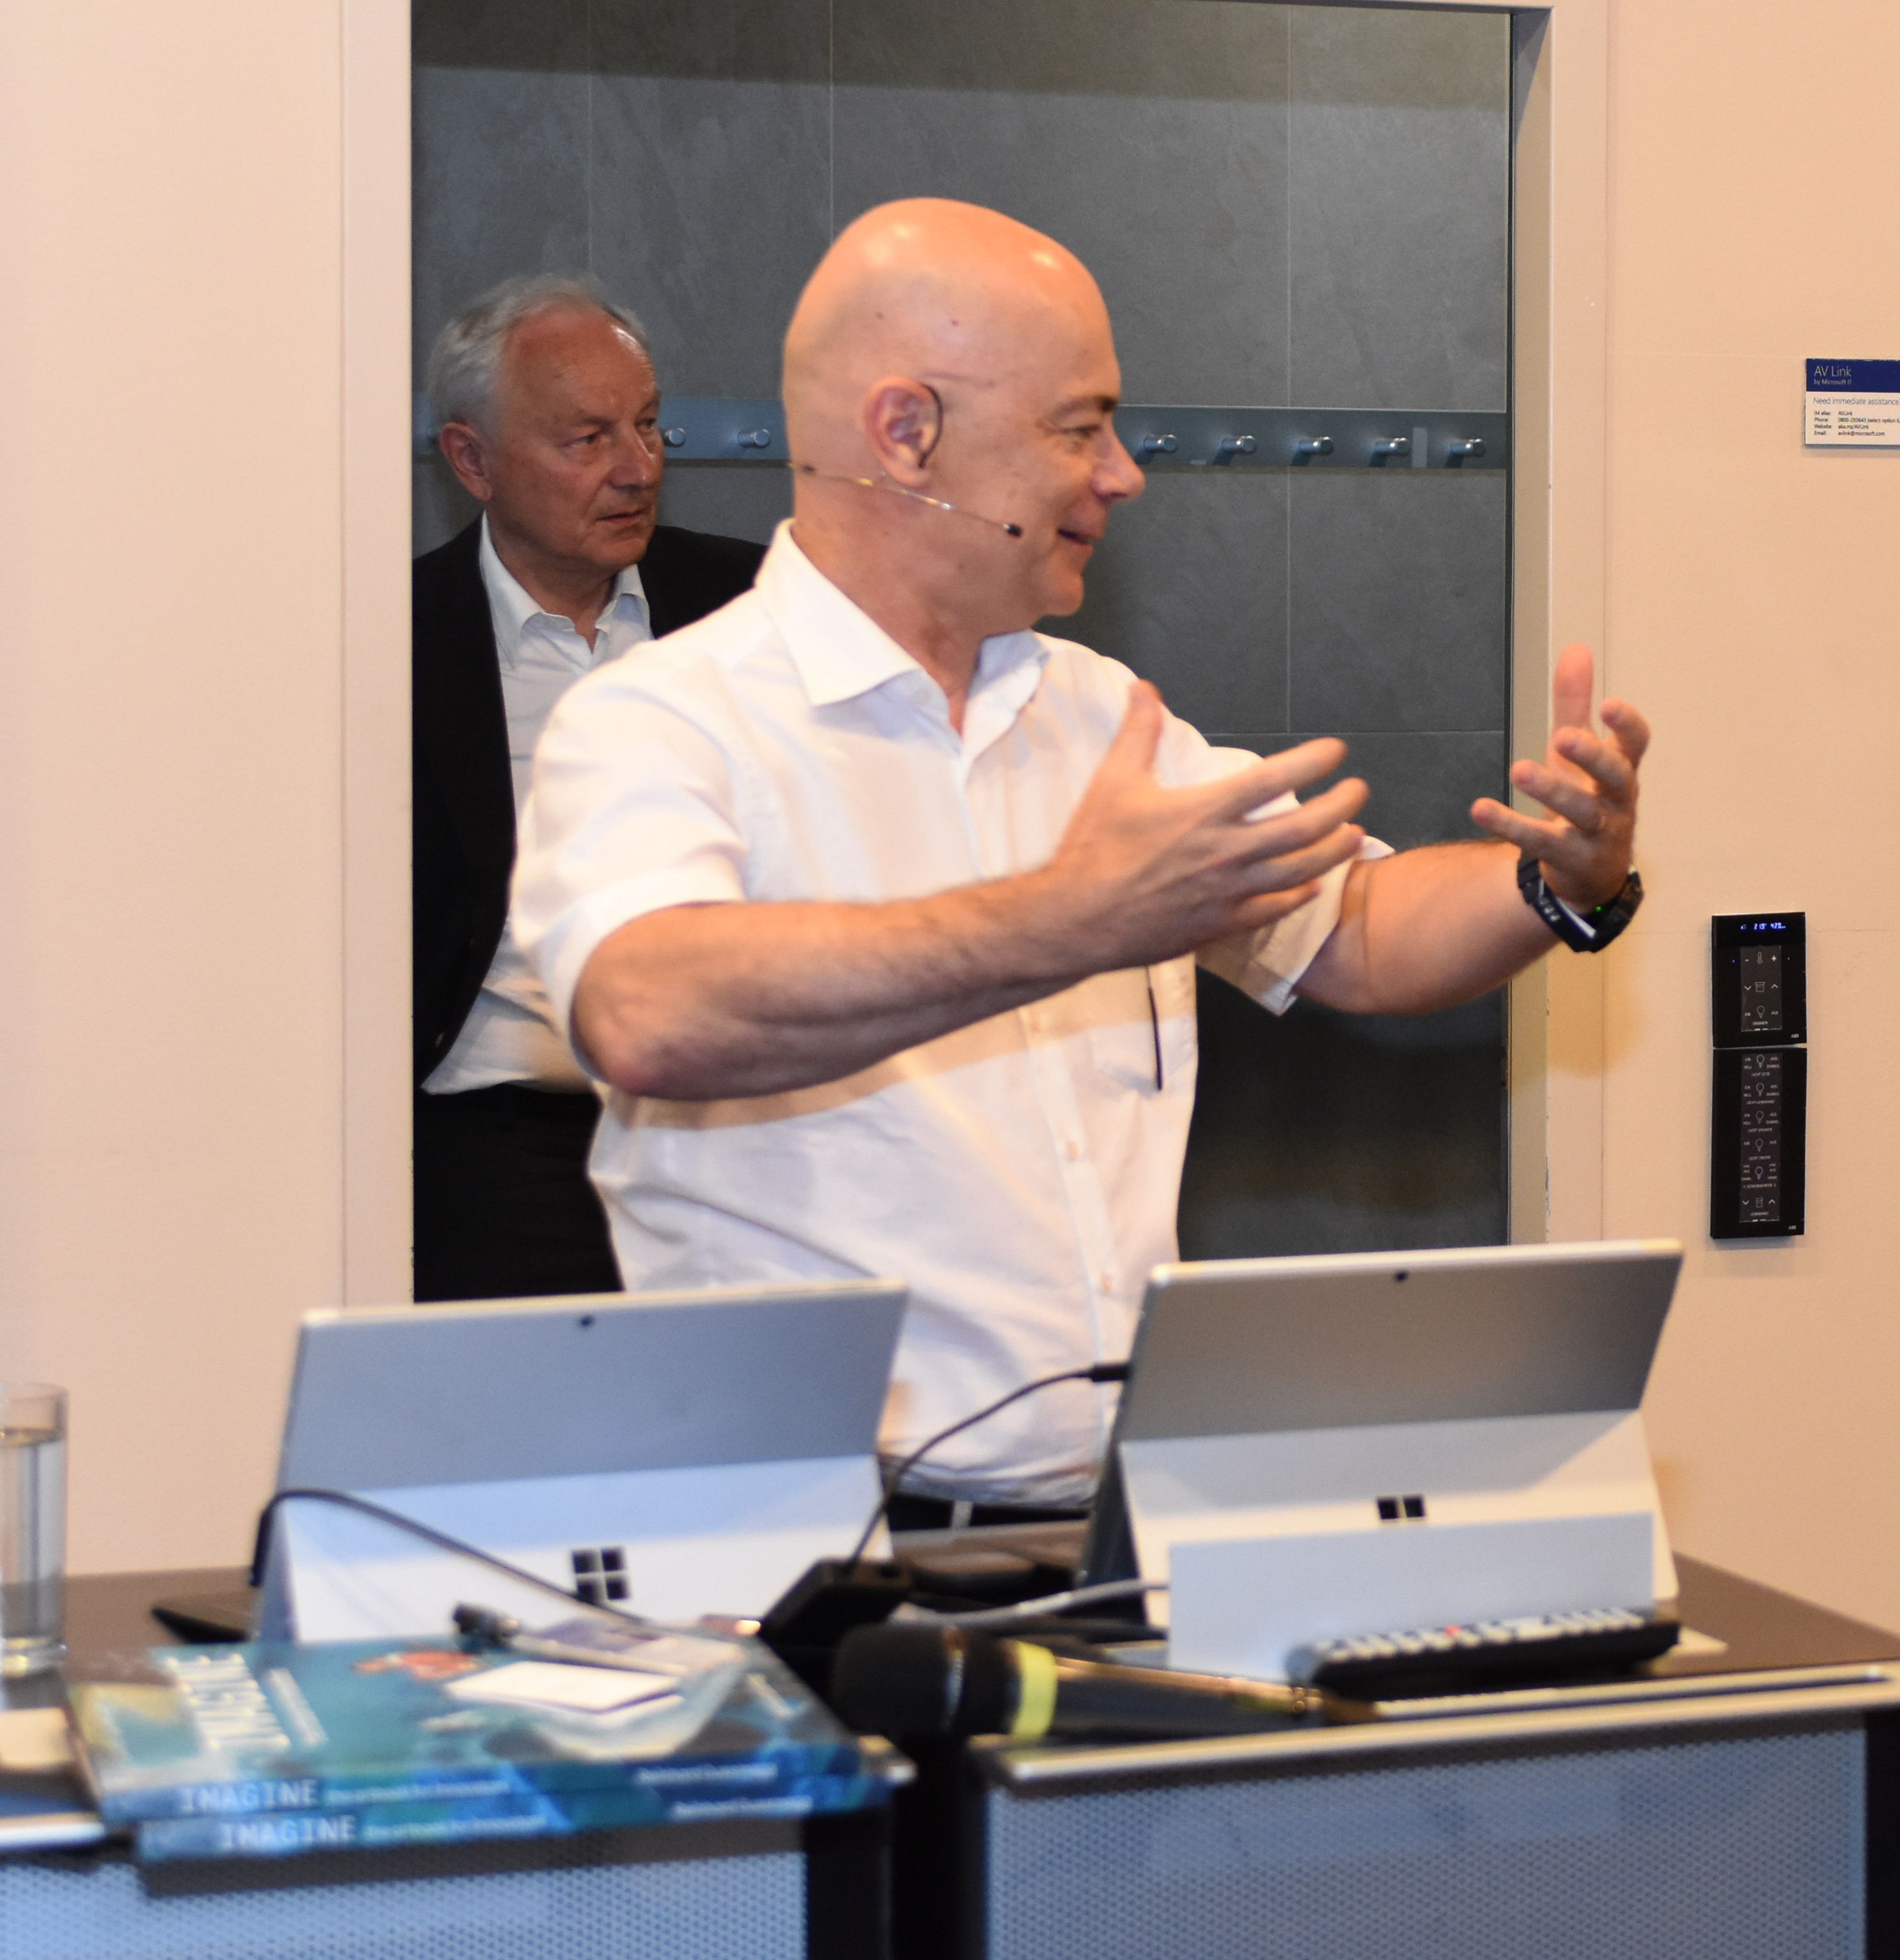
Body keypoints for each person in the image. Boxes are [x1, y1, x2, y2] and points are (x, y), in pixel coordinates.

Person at [508, 199, 1650, 1523]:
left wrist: (1556, 883)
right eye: (1076, 427)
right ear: (905, 432)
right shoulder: (663, 719)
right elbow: (646, 1010)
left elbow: (1359, 930)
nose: (1122, 474)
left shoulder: (1101, 717)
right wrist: (1066, 918)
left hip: (1117, 1523)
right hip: (809, 1547)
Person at [412, 275, 763, 1302]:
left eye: (647, 425)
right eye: (588, 439)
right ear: (471, 460)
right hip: (499, 1155)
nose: (637, 468)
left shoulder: (753, 608)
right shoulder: (393, 636)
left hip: (736, 1141)